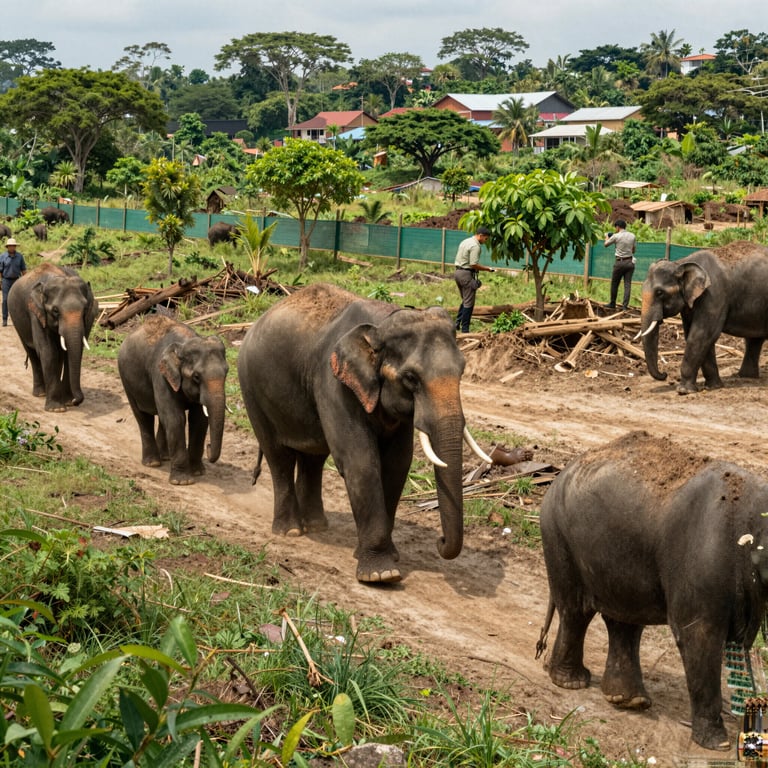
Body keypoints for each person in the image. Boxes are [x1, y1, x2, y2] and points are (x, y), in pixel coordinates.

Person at [454, 225, 496, 333]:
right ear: (481, 236)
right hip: (466, 275)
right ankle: (465, 330)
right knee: (469, 303)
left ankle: (456, 324)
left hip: (457, 273)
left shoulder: (465, 241)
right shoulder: (475, 246)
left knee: (465, 300)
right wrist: (487, 269)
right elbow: (473, 264)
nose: (485, 241)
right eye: (485, 239)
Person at [603, 219, 636, 311]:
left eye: (616, 227)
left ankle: (612, 303)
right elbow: (633, 250)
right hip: (630, 262)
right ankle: (625, 306)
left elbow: (605, 244)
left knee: (614, 283)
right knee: (627, 284)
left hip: (619, 262)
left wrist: (606, 236)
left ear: (617, 227)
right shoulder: (632, 236)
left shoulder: (616, 236)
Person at [0, 237, 27, 327]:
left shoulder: (19, 256)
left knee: (17, 300)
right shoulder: (2, 257)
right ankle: (4, 318)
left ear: (15, 247)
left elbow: (23, 269)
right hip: (6, 280)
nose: (12, 248)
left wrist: (25, 280)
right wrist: (0, 281)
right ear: (7, 247)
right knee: (5, 299)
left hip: (17, 280)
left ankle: (17, 319)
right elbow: (0, 270)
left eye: (13, 246)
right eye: (10, 246)